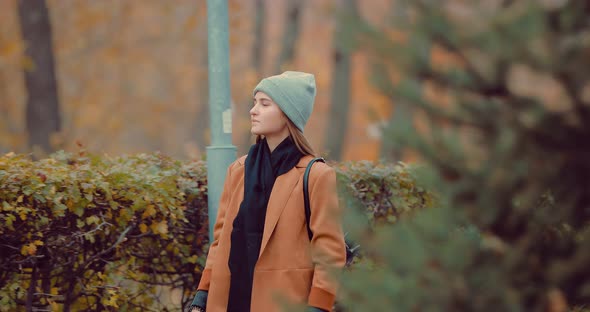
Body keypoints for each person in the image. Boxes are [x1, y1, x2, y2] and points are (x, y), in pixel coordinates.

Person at [188, 71, 346, 312]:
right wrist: (203, 292)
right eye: (254, 103)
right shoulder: (238, 170)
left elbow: (330, 250)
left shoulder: (316, 175)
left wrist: (319, 305)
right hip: (231, 300)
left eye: (264, 104)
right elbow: (220, 241)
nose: (253, 110)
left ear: (288, 114)